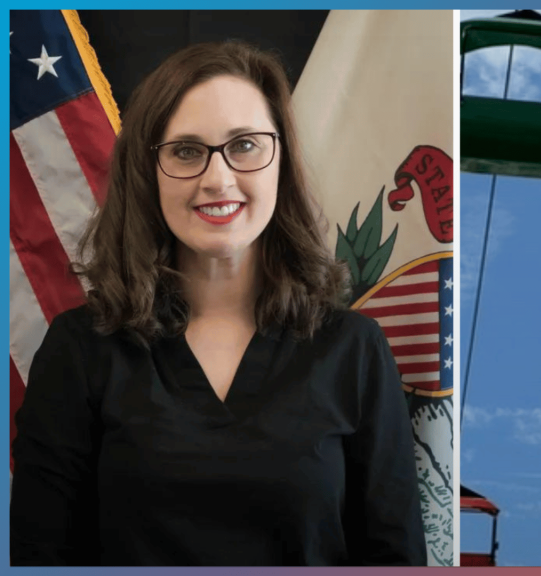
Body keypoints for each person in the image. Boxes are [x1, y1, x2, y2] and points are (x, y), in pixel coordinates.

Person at [11, 41, 427, 566]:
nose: (218, 178)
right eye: (186, 150)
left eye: (245, 145)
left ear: (281, 160)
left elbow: (397, 558)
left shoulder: (354, 349)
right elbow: (38, 557)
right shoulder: (80, 349)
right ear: (149, 171)